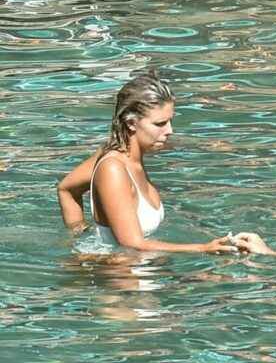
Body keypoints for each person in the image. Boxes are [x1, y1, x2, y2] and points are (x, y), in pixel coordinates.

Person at [57, 71, 236, 254]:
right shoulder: (112, 168)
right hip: (119, 277)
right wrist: (79, 239)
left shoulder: (128, 156)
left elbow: (66, 189)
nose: (170, 131)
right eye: (160, 124)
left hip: (144, 268)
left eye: (170, 121)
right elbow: (132, 243)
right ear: (131, 123)